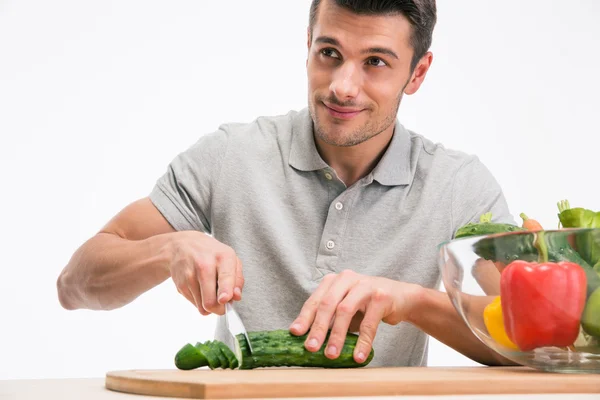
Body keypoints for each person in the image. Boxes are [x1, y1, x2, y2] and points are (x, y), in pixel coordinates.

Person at [57, 0, 517, 368]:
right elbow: (74, 285)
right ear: (308, 45)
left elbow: (522, 340)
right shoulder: (231, 154)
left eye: (375, 62)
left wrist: (411, 301)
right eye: (329, 53)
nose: (343, 86)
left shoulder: (459, 185)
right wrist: (168, 248)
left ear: (417, 73)